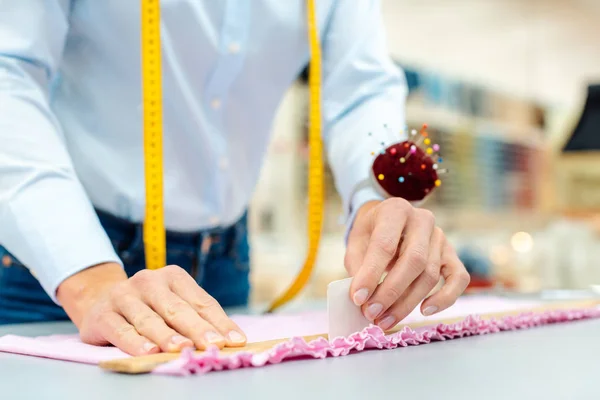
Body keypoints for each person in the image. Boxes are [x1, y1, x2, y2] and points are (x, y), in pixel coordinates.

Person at [0, 1, 470, 355]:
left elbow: (359, 88)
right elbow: (8, 71)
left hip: (222, 263)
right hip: (53, 267)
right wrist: (88, 278)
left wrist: (376, 202)